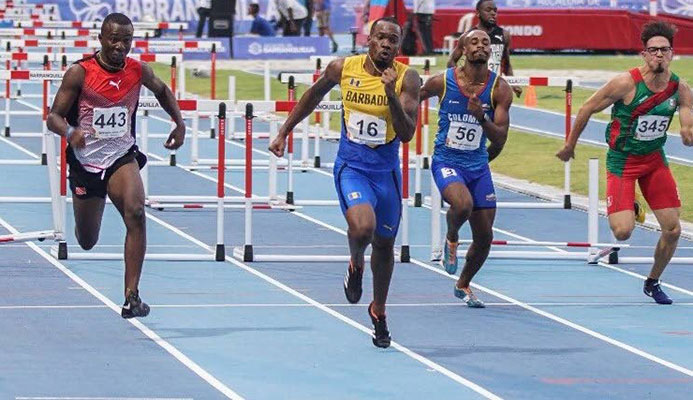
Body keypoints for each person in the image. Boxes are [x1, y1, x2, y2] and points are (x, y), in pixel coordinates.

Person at [269, 17, 420, 347]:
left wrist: (389, 93)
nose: (386, 44)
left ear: (398, 46)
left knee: (384, 245)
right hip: (352, 166)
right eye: (380, 38)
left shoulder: (407, 78)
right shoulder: (343, 68)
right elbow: (312, 96)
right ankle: (355, 262)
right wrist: (284, 131)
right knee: (363, 229)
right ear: (369, 40)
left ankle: (378, 310)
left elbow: (408, 134)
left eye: (392, 40)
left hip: (387, 173)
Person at [46, 13, 186, 318]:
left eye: (126, 40)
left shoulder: (138, 70)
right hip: (86, 163)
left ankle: (131, 296)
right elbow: (53, 117)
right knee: (86, 240)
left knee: (137, 212)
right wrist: (71, 133)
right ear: (101, 39)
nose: (120, 46)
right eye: (114, 39)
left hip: (121, 156)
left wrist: (179, 122)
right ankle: (89, 210)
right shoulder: (80, 73)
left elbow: (162, 91)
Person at [556, 21, 692, 305]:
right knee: (623, 231)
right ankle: (631, 205)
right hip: (623, 162)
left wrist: (687, 131)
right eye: (652, 50)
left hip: (655, 161)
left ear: (671, 53)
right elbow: (587, 107)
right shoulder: (625, 83)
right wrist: (570, 145)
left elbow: (687, 116)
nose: (658, 55)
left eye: (663, 50)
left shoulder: (680, 89)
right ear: (644, 54)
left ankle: (653, 281)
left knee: (673, 229)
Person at [420, 29, 513, 307]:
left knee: (485, 238)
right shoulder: (443, 82)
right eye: (474, 41)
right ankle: (451, 239)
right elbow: (412, 99)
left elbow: (500, 137)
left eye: (485, 42)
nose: (481, 46)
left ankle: (463, 284)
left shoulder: (500, 88)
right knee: (462, 205)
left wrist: (481, 117)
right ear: (462, 49)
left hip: (477, 166)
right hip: (447, 161)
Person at [447, 0, 522, 98]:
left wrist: (513, 83)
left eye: (495, 11)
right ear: (478, 13)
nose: (493, 13)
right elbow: (451, 62)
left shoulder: (504, 35)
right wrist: (461, 81)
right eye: (488, 10)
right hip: (473, 88)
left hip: (494, 87)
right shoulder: (467, 36)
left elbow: (506, 65)